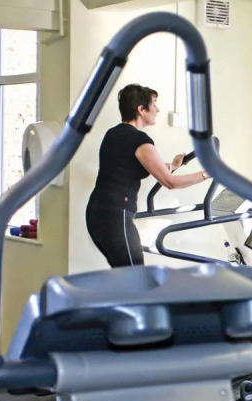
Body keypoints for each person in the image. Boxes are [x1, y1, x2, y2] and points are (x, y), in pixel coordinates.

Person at [85, 83, 209, 268]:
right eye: (154, 104)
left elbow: (129, 167)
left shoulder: (113, 134)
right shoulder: (139, 139)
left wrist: (172, 165)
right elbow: (171, 183)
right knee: (136, 276)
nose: (157, 110)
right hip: (116, 215)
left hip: (97, 214)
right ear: (141, 109)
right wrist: (207, 174)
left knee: (124, 275)